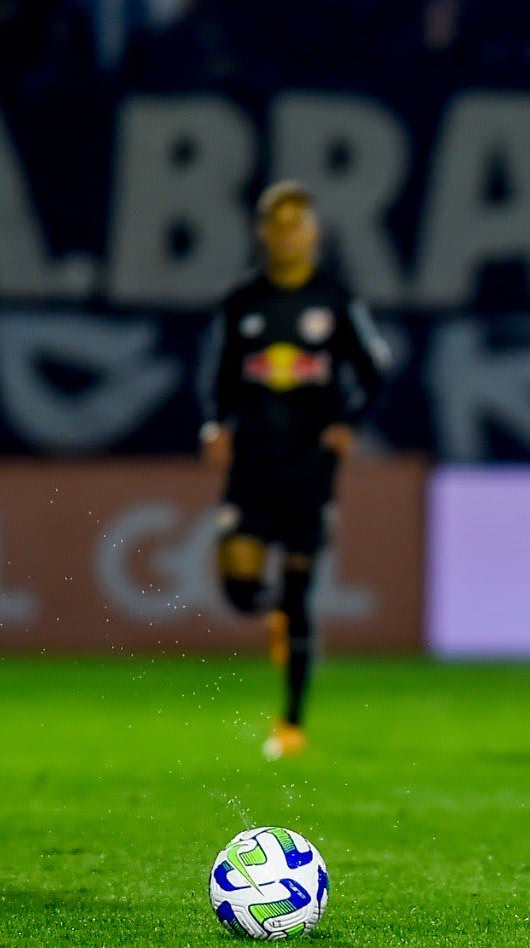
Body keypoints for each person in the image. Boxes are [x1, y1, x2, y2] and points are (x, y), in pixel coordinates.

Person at [199, 181, 389, 760]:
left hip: (309, 462)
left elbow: (374, 368)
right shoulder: (243, 301)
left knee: (301, 587)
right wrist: (216, 424)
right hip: (253, 461)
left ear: (313, 235)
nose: (285, 237)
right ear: (264, 234)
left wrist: (348, 423)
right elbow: (220, 373)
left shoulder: (333, 301)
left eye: (295, 226)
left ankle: (291, 722)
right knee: (238, 584)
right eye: (275, 226)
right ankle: (270, 612)